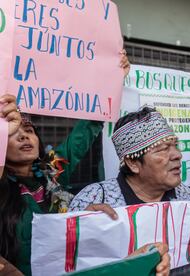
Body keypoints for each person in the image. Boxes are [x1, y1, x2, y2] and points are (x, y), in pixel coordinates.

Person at [0, 52, 130, 275]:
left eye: (29, 131)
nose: (24, 137)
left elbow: (81, 136)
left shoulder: (51, 170)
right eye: (13, 133)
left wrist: (83, 219)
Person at [69, 107, 190, 214]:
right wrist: (82, 229)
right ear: (133, 163)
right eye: (163, 149)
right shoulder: (94, 199)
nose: (177, 155)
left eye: (175, 145)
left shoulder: (184, 196)